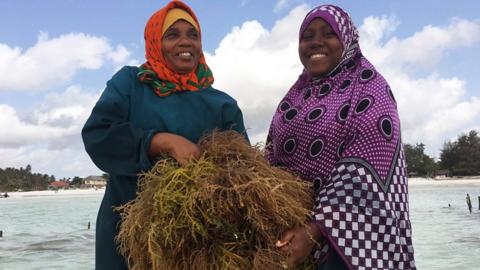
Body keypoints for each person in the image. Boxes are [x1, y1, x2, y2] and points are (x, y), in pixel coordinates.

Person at [81, 1, 248, 269]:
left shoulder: (222, 105)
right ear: (155, 42)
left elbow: (244, 174)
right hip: (128, 235)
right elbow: (98, 135)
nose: (185, 42)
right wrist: (161, 142)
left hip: (197, 240)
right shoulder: (131, 84)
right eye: (173, 35)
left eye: (193, 35)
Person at [266, 5, 416, 269]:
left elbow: (363, 172)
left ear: (346, 40)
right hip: (288, 238)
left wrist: (314, 230)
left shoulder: (371, 89)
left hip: (350, 245)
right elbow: (271, 156)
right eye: (307, 36)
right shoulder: (295, 96)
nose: (316, 42)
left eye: (328, 33)